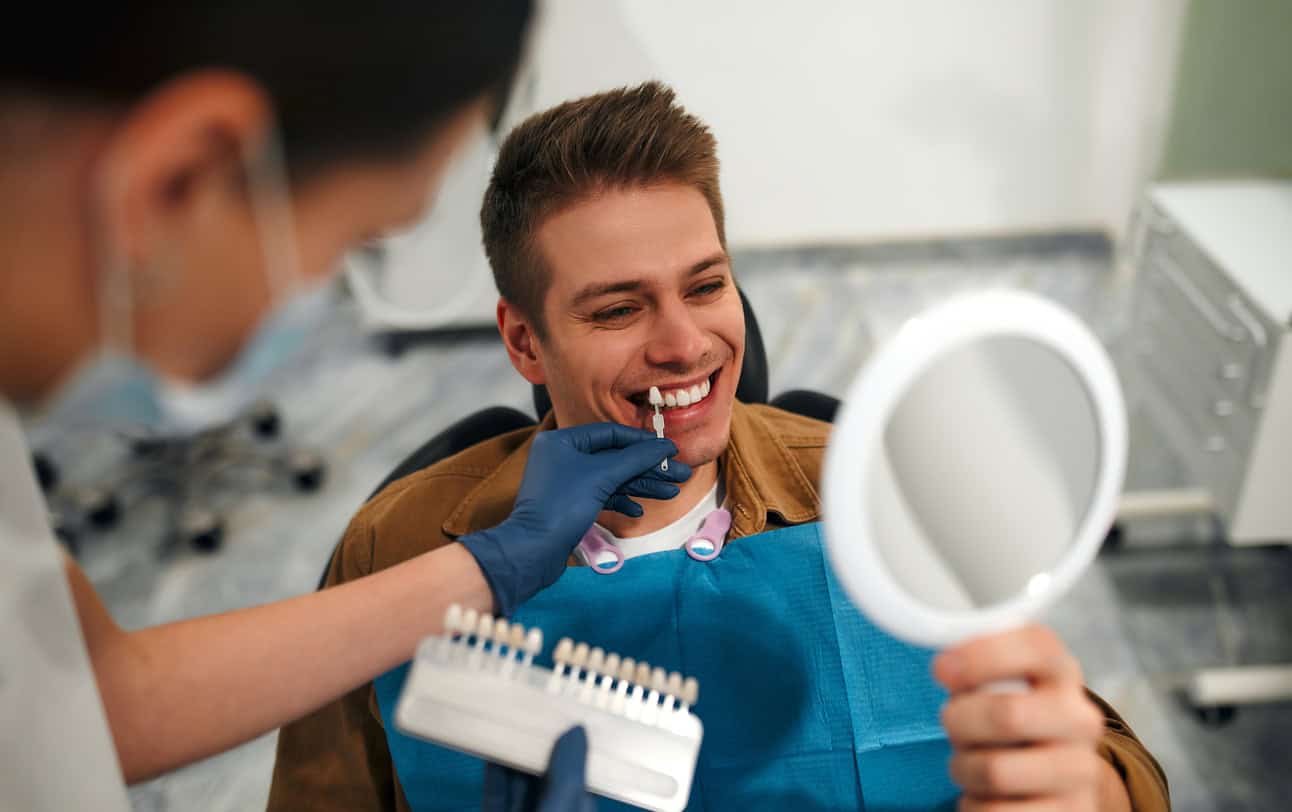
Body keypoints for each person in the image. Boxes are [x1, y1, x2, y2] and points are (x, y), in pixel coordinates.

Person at [270, 82, 1171, 811]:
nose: (684, 345)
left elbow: (1114, 770)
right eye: (619, 308)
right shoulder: (398, 551)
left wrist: (1086, 788)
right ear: (525, 341)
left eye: (705, 286)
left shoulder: (882, 496)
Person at [0, 6, 685, 809]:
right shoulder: (388, 531)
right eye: (356, 238)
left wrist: (487, 568)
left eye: (706, 284)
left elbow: (89, 703)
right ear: (177, 180)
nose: (678, 343)